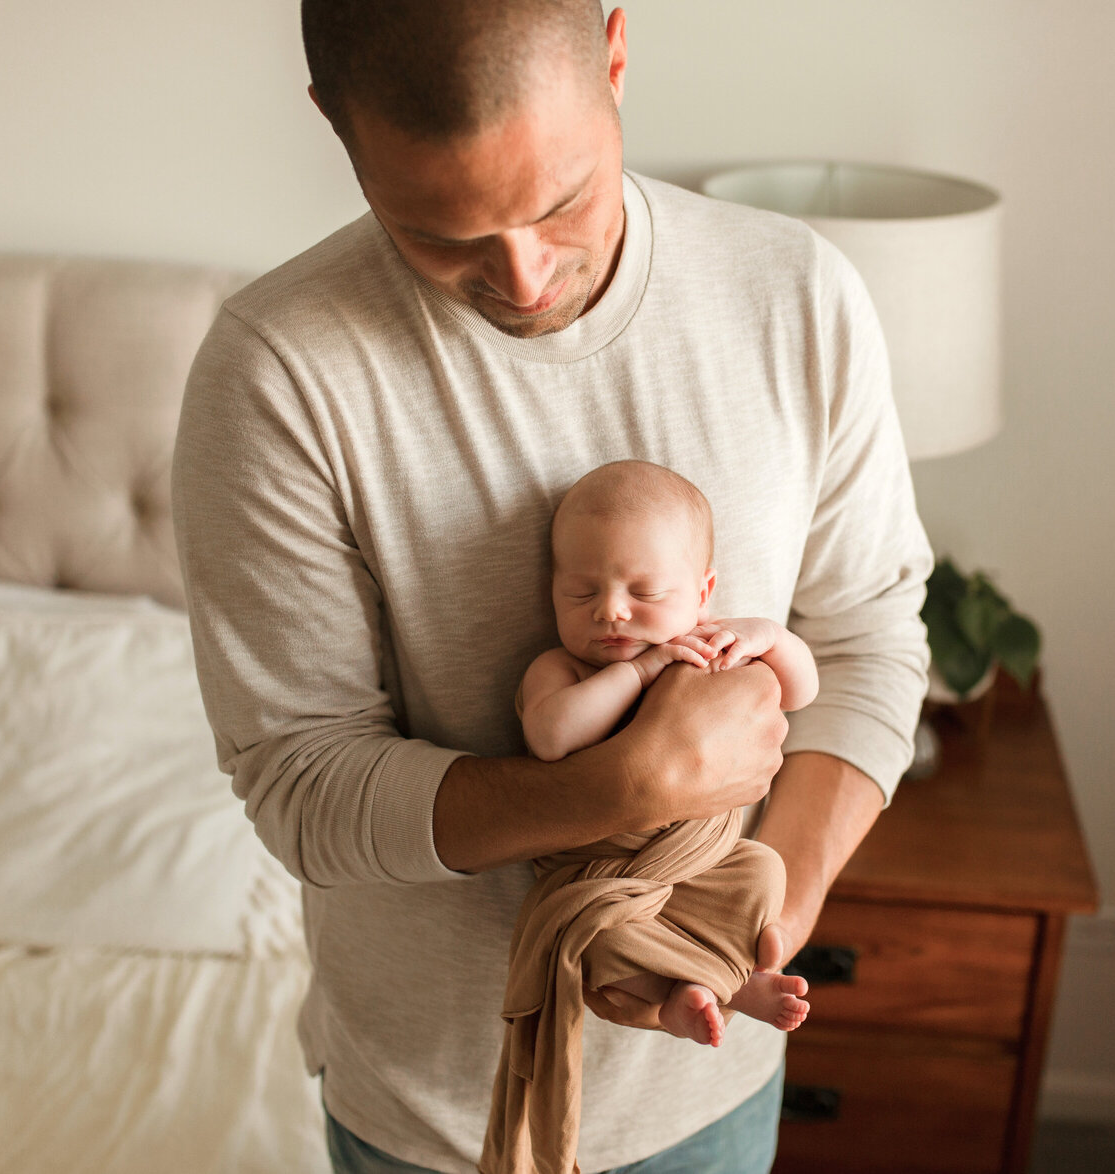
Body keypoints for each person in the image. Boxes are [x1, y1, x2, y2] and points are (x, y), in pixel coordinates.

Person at [169, 1, 934, 1172]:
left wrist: (744, 924)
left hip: (711, 1077)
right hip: (432, 1111)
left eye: (560, 199)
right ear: (333, 123)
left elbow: (869, 634)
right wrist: (619, 790)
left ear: (616, 55)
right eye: (438, 234)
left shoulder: (796, 296)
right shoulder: (277, 375)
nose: (522, 280)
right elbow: (303, 781)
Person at [484, 459, 813, 1173]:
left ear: (703, 594)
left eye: (645, 592)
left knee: (761, 870)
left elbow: (800, 690)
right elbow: (551, 736)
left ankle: (730, 979)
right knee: (598, 941)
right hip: (603, 875)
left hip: (696, 861)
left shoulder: (711, 650)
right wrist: (636, 672)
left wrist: (767, 639)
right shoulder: (561, 673)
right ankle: (678, 999)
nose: (610, 611)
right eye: (582, 592)